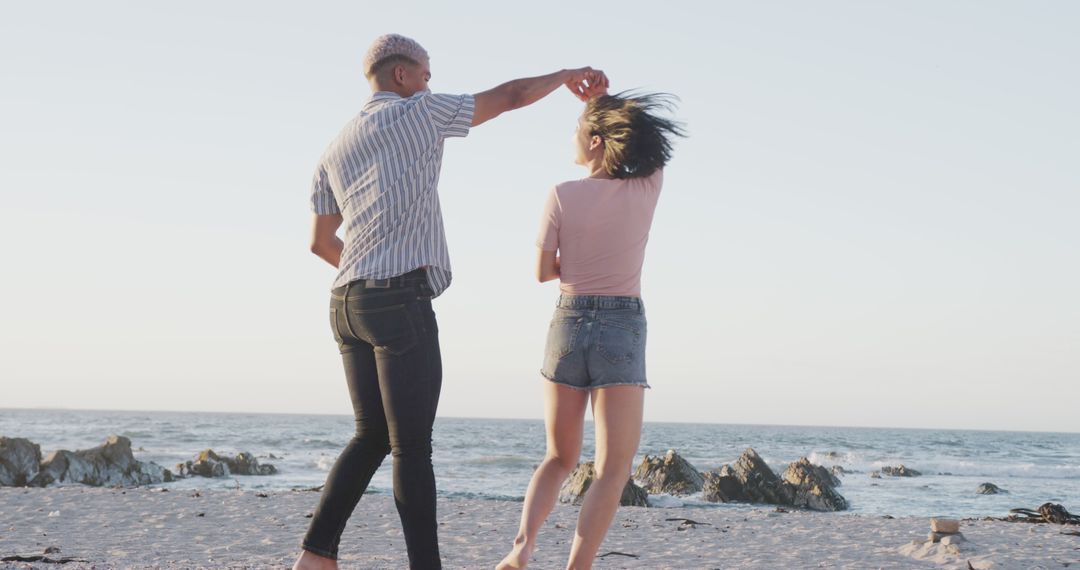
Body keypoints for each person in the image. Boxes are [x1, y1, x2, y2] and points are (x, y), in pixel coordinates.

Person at [295, 33, 609, 570]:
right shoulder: (419, 112)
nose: (429, 83)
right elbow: (507, 97)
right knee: (412, 447)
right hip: (397, 300)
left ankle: (315, 556)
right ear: (402, 76)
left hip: (346, 302)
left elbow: (320, 243)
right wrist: (563, 77)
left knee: (371, 436)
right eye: (425, 73)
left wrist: (367, 273)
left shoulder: (335, 145)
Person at [497, 89, 685, 570]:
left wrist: (578, 262)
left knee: (559, 457)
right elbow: (649, 146)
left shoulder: (561, 193)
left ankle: (521, 549)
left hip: (567, 319)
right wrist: (602, 99)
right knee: (612, 468)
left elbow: (541, 271)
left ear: (597, 140)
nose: (573, 139)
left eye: (578, 130)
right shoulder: (647, 187)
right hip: (622, 325)